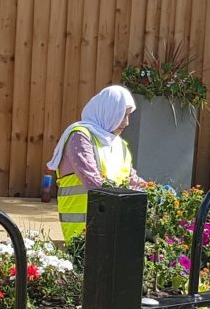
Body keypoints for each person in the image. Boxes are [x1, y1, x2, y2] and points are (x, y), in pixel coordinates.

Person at [46, 85, 145, 242]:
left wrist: (155, 191)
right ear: (109, 111)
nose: (126, 122)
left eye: (128, 116)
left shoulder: (119, 145)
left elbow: (131, 179)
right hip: (82, 229)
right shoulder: (80, 136)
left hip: (112, 224)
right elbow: (93, 181)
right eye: (122, 115)